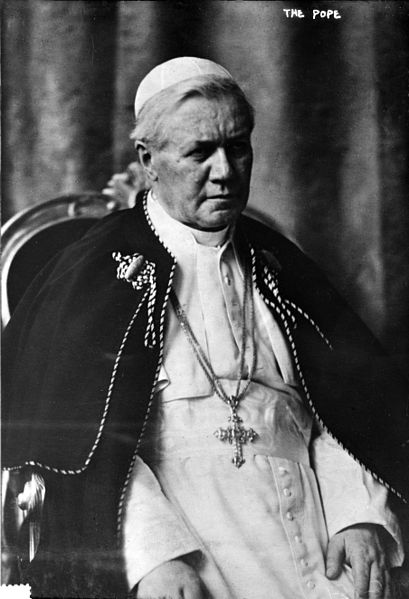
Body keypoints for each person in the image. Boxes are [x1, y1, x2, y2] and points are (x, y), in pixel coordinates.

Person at [2, 57, 409, 599]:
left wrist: (358, 514)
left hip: (315, 536)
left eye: (237, 147)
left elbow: (345, 410)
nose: (225, 172)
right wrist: (151, 556)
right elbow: (78, 447)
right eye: (200, 153)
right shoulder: (95, 271)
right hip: (183, 548)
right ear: (148, 161)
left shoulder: (283, 266)